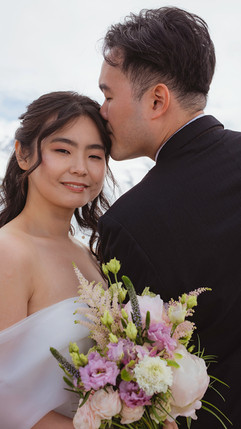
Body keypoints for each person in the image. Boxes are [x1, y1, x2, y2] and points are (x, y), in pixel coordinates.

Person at [97, 6, 241, 428]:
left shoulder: (131, 222)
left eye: (107, 95)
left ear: (157, 100)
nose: (101, 110)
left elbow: (140, 381)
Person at [0, 91, 113, 428]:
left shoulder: (90, 255)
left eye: (95, 156)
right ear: (23, 154)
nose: (80, 168)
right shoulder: (9, 253)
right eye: (62, 150)